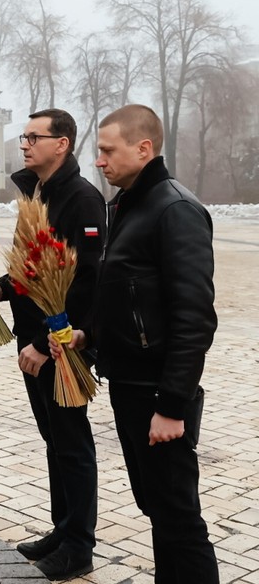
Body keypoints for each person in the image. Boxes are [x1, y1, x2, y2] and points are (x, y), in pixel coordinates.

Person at [53, 104, 218, 582]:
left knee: (179, 519)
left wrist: (172, 405)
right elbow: (127, 295)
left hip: (156, 393)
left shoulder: (175, 210)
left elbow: (194, 318)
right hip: (128, 385)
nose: (99, 161)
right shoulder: (126, 206)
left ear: (143, 149)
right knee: (160, 512)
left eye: (108, 151)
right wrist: (90, 335)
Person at [0, 109, 105, 581]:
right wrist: (0, 289)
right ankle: (62, 529)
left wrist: (40, 341)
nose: (24, 144)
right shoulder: (39, 192)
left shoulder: (82, 200)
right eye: (24, 136)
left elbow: (83, 282)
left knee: (72, 444)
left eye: (35, 137)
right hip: (36, 344)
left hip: (59, 346)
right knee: (55, 441)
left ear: (62, 144)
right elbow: (36, 268)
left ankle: (79, 547)